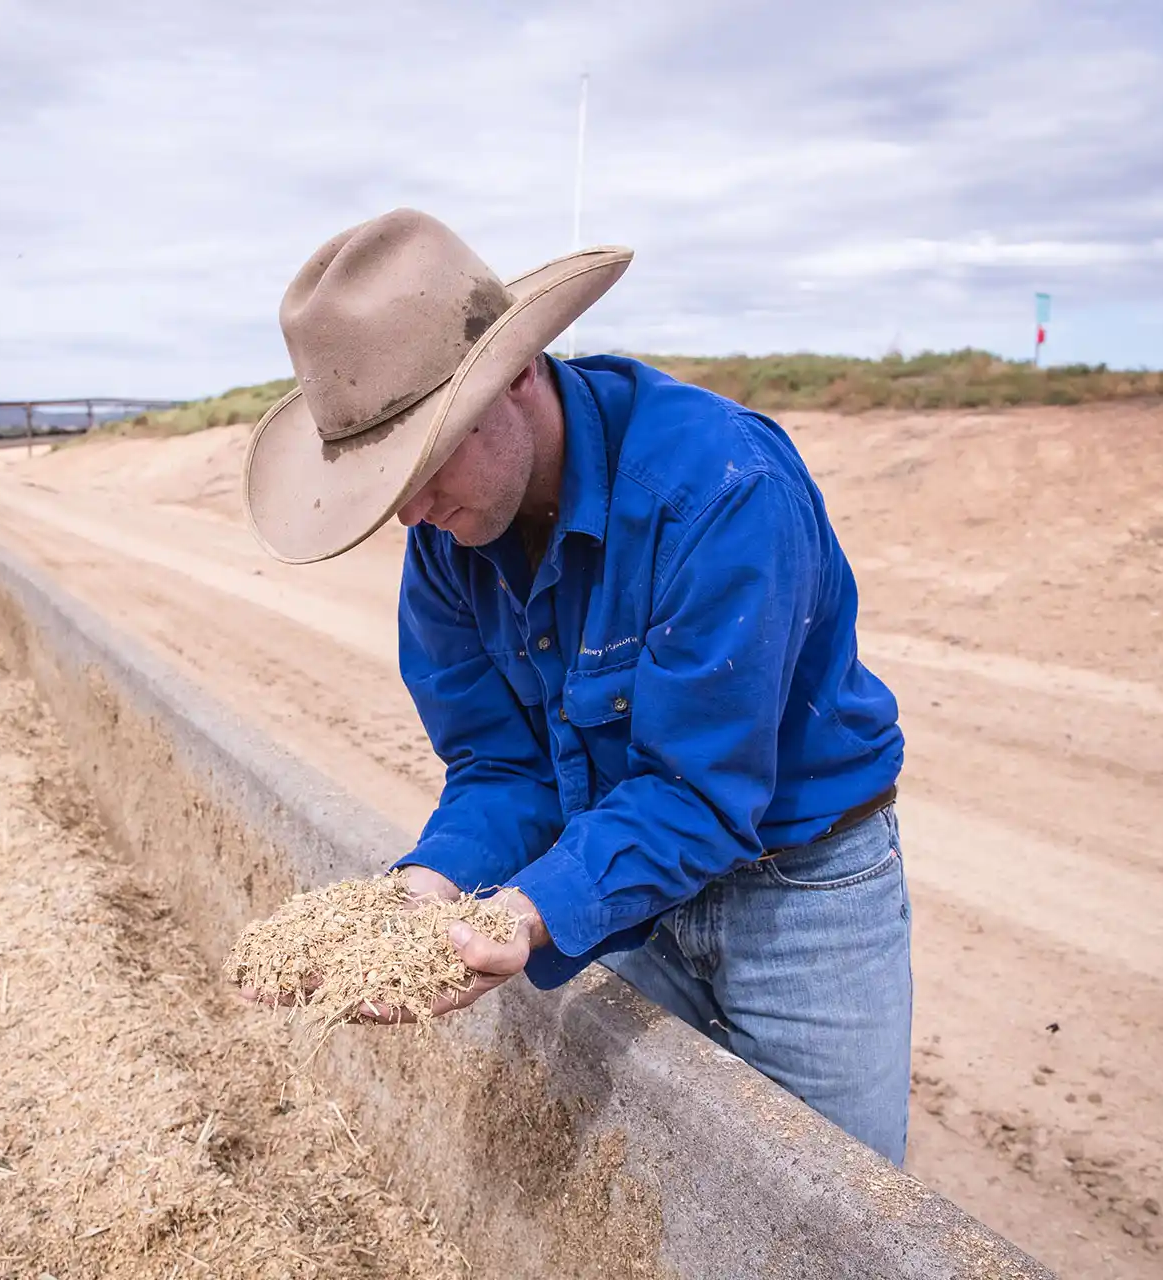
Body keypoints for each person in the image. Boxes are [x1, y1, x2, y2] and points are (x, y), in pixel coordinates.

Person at [241, 208, 912, 1166]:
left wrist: (523, 913)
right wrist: (427, 894)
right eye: (390, 490)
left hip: (800, 884)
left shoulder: (717, 490)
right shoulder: (449, 534)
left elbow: (698, 789)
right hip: (617, 876)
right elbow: (501, 764)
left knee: (838, 1207)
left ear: (516, 374)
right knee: (655, 1176)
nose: (414, 513)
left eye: (425, 464)